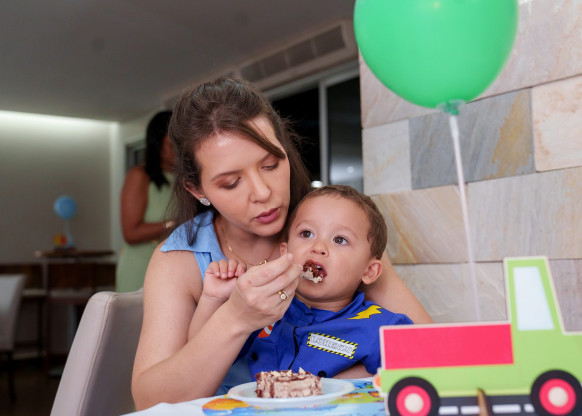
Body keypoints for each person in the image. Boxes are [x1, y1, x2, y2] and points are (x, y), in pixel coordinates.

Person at [131, 78, 431, 410]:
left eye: (271, 165)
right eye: (231, 183)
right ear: (198, 190)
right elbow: (149, 402)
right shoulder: (180, 259)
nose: (262, 192)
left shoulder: (334, 227)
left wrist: (341, 382)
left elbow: (431, 352)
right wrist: (234, 318)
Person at [202, 185, 413, 380]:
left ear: (369, 271)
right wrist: (212, 299)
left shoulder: (383, 328)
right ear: (285, 253)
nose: (318, 247)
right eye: (306, 233)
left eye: (340, 240)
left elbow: (419, 374)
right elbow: (206, 358)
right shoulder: (262, 309)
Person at [115, 111, 175, 293]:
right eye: (173, 144)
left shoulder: (187, 178)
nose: (181, 149)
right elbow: (131, 233)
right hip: (141, 265)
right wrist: (178, 223)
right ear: (157, 143)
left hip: (175, 268)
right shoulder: (139, 175)